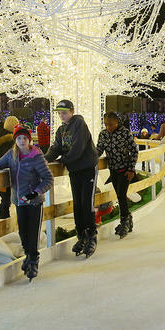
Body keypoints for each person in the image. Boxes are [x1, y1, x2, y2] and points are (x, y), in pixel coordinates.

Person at [0, 125, 53, 280]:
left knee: (33, 233)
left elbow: (48, 179)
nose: (22, 141)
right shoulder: (12, 154)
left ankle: (33, 260)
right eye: (19, 138)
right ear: (15, 140)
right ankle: (28, 256)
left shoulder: (36, 156)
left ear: (29, 139)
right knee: (23, 232)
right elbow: (0, 163)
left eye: (24, 138)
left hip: (34, 201)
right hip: (19, 201)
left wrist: (36, 192)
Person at [44, 100, 100, 258]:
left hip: (87, 169)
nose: (62, 115)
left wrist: (63, 160)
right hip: (74, 170)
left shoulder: (79, 124)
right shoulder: (61, 129)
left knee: (86, 203)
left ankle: (91, 236)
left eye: (64, 112)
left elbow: (78, 148)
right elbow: (56, 147)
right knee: (77, 205)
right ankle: (81, 235)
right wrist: (46, 158)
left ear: (72, 111)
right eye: (60, 113)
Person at [97, 111, 139, 238]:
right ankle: (128, 217)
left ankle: (124, 221)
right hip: (113, 170)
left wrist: (131, 169)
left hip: (125, 170)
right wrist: (90, 158)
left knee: (121, 195)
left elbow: (134, 151)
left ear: (117, 122)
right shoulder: (103, 134)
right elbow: (99, 149)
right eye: (106, 124)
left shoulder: (125, 133)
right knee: (120, 195)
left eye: (111, 124)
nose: (108, 127)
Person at [0, 115, 19, 219]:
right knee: (7, 199)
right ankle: (2, 217)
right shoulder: (12, 139)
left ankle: (2, 216)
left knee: (5, 197)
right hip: (8, 170)